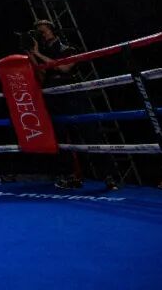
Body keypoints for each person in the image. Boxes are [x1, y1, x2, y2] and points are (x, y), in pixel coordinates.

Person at [28, 19, 119, 190]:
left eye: (43, 30)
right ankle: (71, 176)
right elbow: (41, 77)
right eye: (38, 32)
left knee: (90, 133)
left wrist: (38, 54)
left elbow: (65, 68)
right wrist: (32, 54)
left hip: (73, 94)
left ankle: (109, 175)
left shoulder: (68, 48)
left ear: (52, 30)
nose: (41, 34)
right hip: (54, 95)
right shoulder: (42, 51)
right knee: (62, 138)